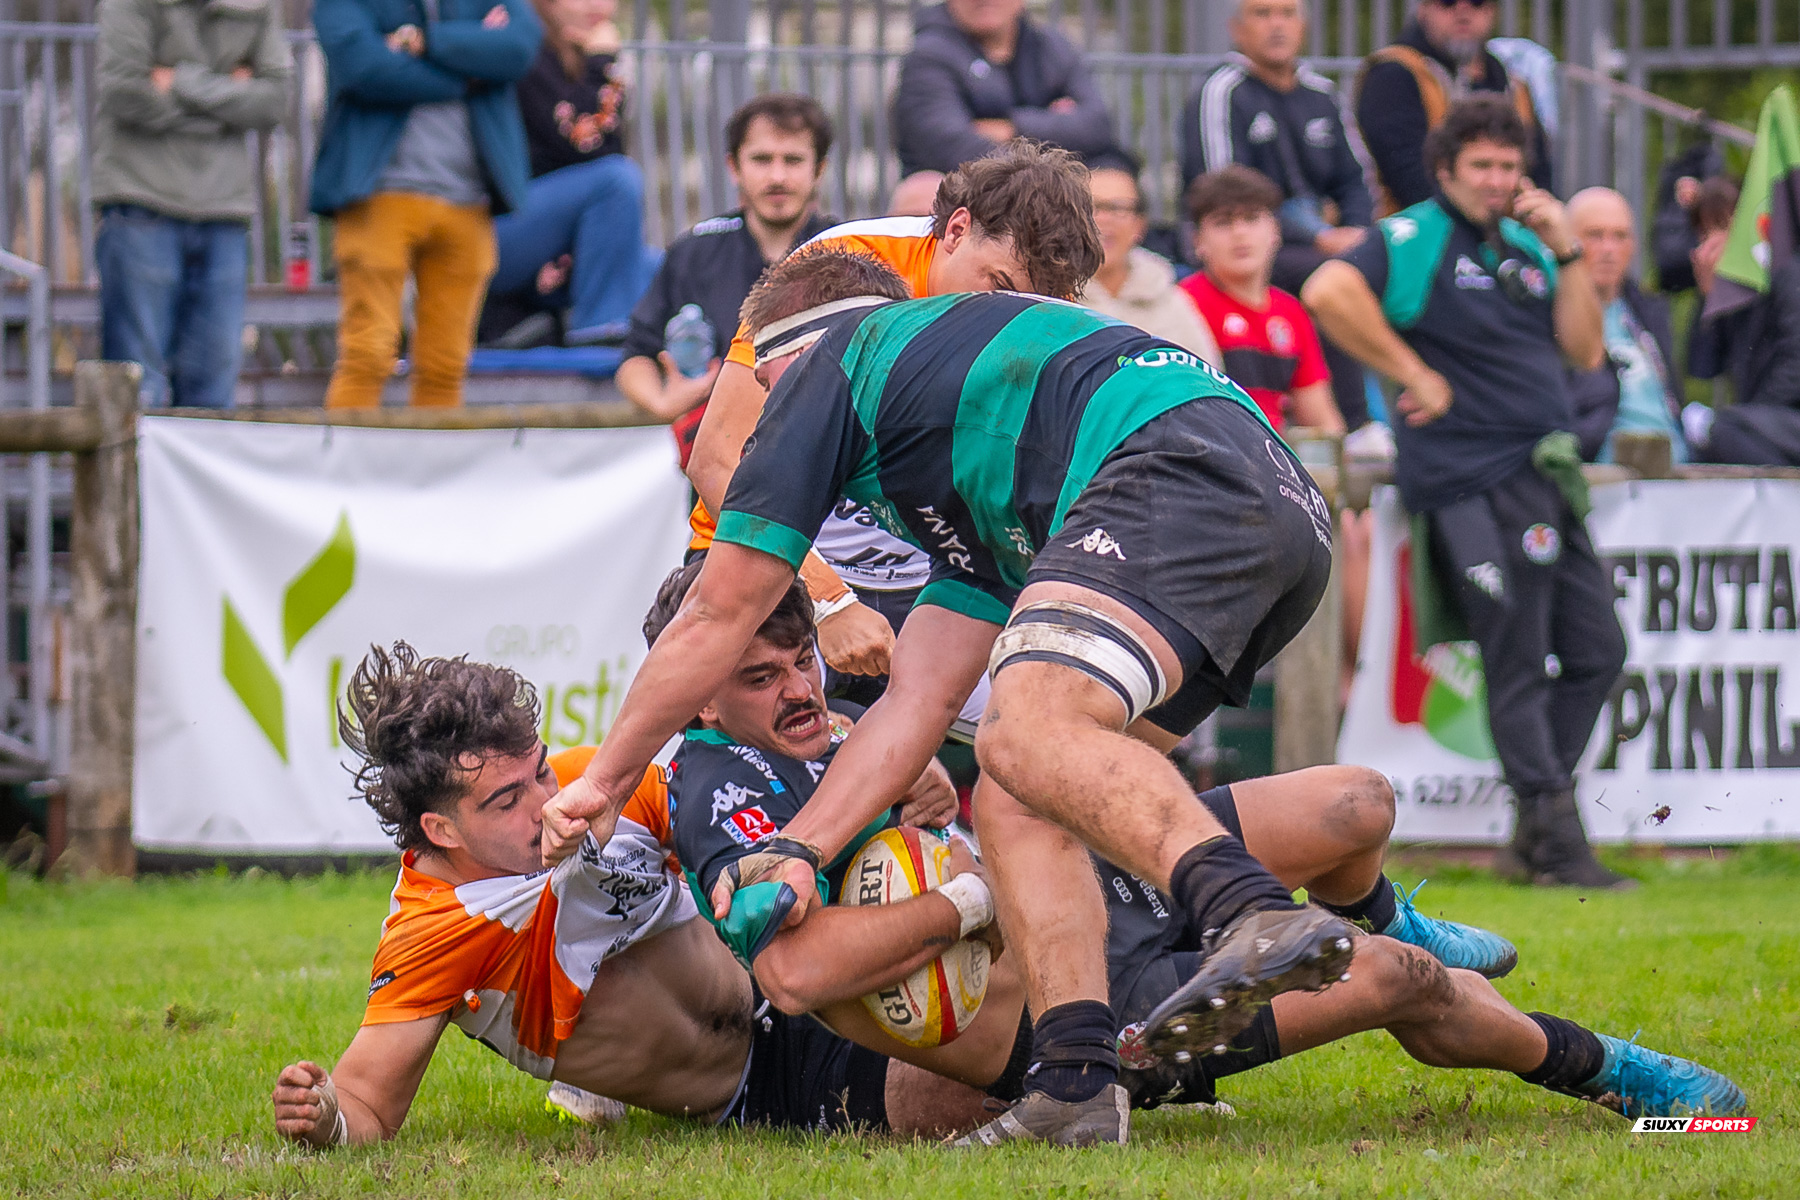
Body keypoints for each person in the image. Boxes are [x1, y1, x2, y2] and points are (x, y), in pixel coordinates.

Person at [543, 245, 1368, 1149]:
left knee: (1027, 732)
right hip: (1281, 509)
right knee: (1029, 793)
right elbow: (915, 703)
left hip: (1174, 473)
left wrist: (606, 780)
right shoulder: (978, 467)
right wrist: (796, 850)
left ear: (780, 359)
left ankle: (1247, 910)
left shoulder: (831, 363)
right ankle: (1076, 1087)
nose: (769, 417)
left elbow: (716, 608)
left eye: (763, 389)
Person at [636, 528, 1744, 1140]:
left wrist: (923, 800)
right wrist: (970, 892)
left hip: (1088, 894)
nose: (794, 689)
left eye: (798, 662)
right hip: (1057, 1016)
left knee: (1356, 803)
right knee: (1398, 981)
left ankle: (1388, 905)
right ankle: (1623, 1081)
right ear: (691, 693)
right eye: (755, 674)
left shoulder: (845, 726)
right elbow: (793, 971)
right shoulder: (713, 775)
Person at [269, 643, 998, 1146]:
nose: (546, 804)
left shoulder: (597, 784)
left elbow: (744, 777)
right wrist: (324, 1115)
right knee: (981, 1095)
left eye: (541, 775)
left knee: (1014, 982)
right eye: (506, 801)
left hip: (785, 976)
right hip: (755, 1086)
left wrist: (882, 753)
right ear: (441, 828)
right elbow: (367, 1103)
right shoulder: (436, 930)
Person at [1302, 96, 1627, 891]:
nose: (1496, 179)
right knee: (1515, 652)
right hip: (1465, 480)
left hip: (1544, 474)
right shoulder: (1416, 236)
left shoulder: (1527, 245)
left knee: (1598, 650)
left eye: (1509, 166)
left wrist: (1572, 253)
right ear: (1447, 169)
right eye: (1480, 165)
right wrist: (1413, 374)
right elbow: (1327, 291)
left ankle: (1534, 826)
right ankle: (1555, 839)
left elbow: (1585, 352)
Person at [684, 141, 1104, 685]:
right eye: (998, 286)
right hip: (781, 558)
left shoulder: (1039, 321)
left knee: (1052, 718)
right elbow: (716, 460)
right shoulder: (845, 267)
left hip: (923, 574)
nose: (1005, 316)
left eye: (1023, 304)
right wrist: (830, 600)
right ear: (955, 230)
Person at [311, 0, 541, 409]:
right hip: (378, 195)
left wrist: (421, 41)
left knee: (446, 367)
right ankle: (346, 471)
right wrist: (470, 72)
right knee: (367, 354)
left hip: (470, 201)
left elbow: (519, 48)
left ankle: (434, 472)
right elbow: (364, 67)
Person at [92, 0, 293, 409]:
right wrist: (229, 98)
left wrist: (182, 82)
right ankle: (131, 477)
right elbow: (123, 90)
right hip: (140, 204)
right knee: (135, 388)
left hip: (224, 213)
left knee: (213, 392)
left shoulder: (256, 5)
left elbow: (275, 99)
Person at [1180, 0, 1372, 426]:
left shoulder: (1322, 94)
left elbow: (1355, 180)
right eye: (1263, 13)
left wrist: (1357, 229)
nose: (1277, 25)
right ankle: (1358, 424)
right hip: (1252, 246)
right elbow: (1223, 199)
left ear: (1303, 25)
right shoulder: (1222, 91)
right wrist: (1320, 233)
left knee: (1379, 264)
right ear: (1236, 27)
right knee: (1333, 275)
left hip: (1320, 243)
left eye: (1287, 13)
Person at [615, 95, 837, 438]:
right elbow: (636, 356)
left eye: (793, 160)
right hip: (714, 465)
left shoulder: (849, 252)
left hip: (826, 461)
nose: (777, 176)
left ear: (819, 169)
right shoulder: (693, 252)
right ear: (734, 167)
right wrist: (661, 402)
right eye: (761, 160)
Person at [477, 0, 654, 349]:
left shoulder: (576, 54)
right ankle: (599, 335)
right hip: (489, 232)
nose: (597, 5)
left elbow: (601, 154)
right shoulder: (524, 47)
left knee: (658, 266)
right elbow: (582, 143)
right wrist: (603, 65)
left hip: (546, 236)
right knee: (618, 180)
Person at [1181, 167, 1343, 435]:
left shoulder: (1291, 311)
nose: (1240, 233)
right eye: (1223, 223)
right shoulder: (1185, 304)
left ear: (1275, 231)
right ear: (1198, 240)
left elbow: (1322, 423)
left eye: (1252, 218)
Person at [1355, 0, 1552, 217]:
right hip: (1419, 234)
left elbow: (1540, 177)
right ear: (1423, 8)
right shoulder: (1394, 73)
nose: (1463, 12)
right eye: (1447, 2)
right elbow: (1411, 183)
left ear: (1492, 10)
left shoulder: (1513, 86)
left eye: (1477, 2)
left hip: (1510, 232)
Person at [892, 0, 1129, 177]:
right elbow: (954, 150)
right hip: (960, 208)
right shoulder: (928, 56)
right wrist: (1054, 137)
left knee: (1115, 179)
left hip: (1048, 203)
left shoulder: (1051, 46)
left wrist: (1012, 128)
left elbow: (1097, 126)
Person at [1564, 187, 1687, 464]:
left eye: (1620, 236)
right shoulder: (1548, 311)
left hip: (1675, 471)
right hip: (1600, 474)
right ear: (1565, 241)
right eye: (1595, 235)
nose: (1609, 249)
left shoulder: (1648, 309)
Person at [1688, 177, 1800, 467]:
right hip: (1760, 423)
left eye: (1723, 227)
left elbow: (1796, 362)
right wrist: (1708, 299)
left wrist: (1751, 420)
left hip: (1784, 421)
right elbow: (1702, 367)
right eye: (1706, 231)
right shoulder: (1727, 289)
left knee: (1723, 434)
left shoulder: (1783, 272)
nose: (1714, 242)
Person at [1076, 167, 1222, 366]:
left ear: (1140, 224)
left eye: (1117, 208)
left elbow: (1208, 382)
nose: (1103, 219)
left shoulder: (1173, 303)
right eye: (1091, 208)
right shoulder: (1051, 297)